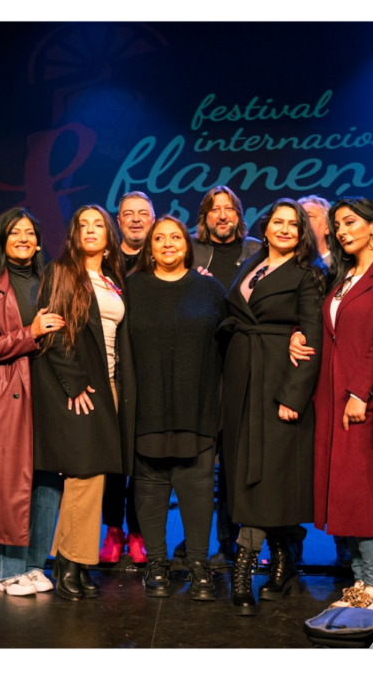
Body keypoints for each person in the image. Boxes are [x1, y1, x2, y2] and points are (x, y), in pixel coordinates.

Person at [288, 198, 373, 610]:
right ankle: (360, 585)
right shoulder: (343, 278)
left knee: (366, 494)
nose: (342, 231)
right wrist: (298, 338)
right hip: (332, 397)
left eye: (350, 222)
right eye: (337, 225)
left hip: (363, 399)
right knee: (343, 493)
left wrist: (362, 390)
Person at [220, 198, 325, 616]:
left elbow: (312, 339)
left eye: (293, 225)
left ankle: (245, 569)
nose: (284, 229)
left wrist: (293, 396)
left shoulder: (308, 275)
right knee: (246, 471)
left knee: (267, 478)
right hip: (243, 379)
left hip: (278, 380)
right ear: (265, 229)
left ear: (302, 234)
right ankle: (284, 565)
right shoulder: (253, 264)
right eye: (277, 222)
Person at [31, 204, 135, 601]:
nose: (90, 231)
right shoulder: (62, 272)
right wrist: (74, 385)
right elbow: (54, 330)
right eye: (82, 225)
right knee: (85, 475)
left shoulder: (112, 279)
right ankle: (70, 563)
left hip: (109, 385)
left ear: (109, 235)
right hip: (81, 387)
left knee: (94, 478)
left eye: (98, 225)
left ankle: (72, 562)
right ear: (74, 234)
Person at [126, 216, 227, 601]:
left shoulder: (209, 289)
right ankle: (157, 564)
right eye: (159, 238)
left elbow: (228, 345)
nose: (167, 244)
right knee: (149, 492)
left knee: (198, 491)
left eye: (175, 238)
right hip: (146, 410)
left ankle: (200, 566)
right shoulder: (132, 289)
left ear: (187, 245)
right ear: (149, 247)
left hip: (196, 410)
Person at [0, 208, 64, 596]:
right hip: (5, 397)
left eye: (29, 233)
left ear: (39, 242)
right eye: (15, 233)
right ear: (3, 241)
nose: (23, 238)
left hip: (47, 395)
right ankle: (5, 571)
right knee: (7, 485)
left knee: (46, 482)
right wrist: (31, 332)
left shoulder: (50, 284)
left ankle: (34, 566)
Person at [188, 185, 262, 569]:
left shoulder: (256, 251)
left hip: (242, 365)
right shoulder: (191, 251)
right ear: (205, 217)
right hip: (199, 367)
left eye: (228, 209)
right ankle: (202, 539)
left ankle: (234, 542)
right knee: (199, 460)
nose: (222, 215)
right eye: (214, 209)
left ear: (238, 214)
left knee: (236, 461)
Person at [101, 191, 155, 565]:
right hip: (111, 372)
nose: (135, 219)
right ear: (117, 221)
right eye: (127, 214)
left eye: (143, 213)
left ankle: (138, 531)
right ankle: (113, 530)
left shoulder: (164, 257)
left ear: (153, 219)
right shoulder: (104, 261)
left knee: (142, 458)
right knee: (112, 458)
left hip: (150, 371)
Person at [299, 195, 333, 270]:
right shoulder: (290, 264)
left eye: (309, 216)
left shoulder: (342, 264)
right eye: (299, 217)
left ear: (327, 226)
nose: (302, 221)